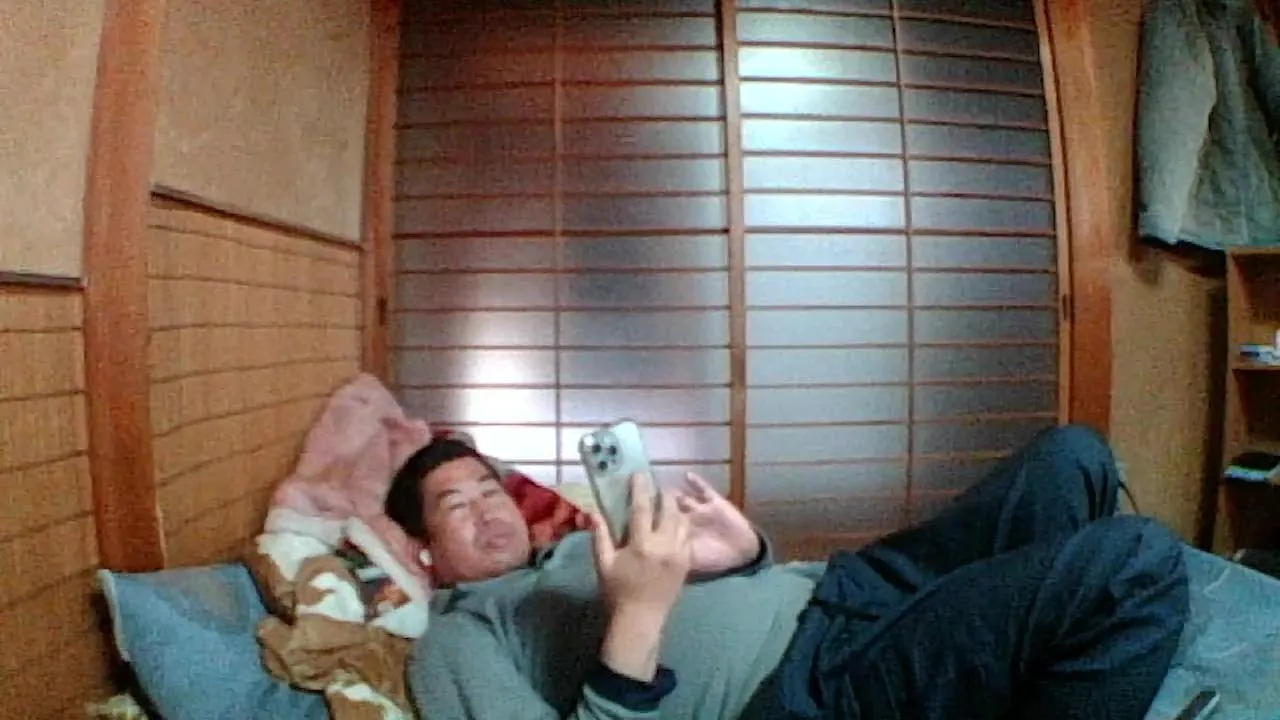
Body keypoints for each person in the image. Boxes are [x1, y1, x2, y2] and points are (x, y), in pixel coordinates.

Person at [385, 425, 1190, 720]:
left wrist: (748, 554)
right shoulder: (457, 635)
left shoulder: (576, 546)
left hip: (852, 589)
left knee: (1074, 457)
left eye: (490, 489)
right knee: (1132, 567)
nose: (488, 509)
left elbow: (740, 589)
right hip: (811, 684)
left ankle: (1018, 667)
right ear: (423, 551)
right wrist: (638, 615)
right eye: (455, 505)